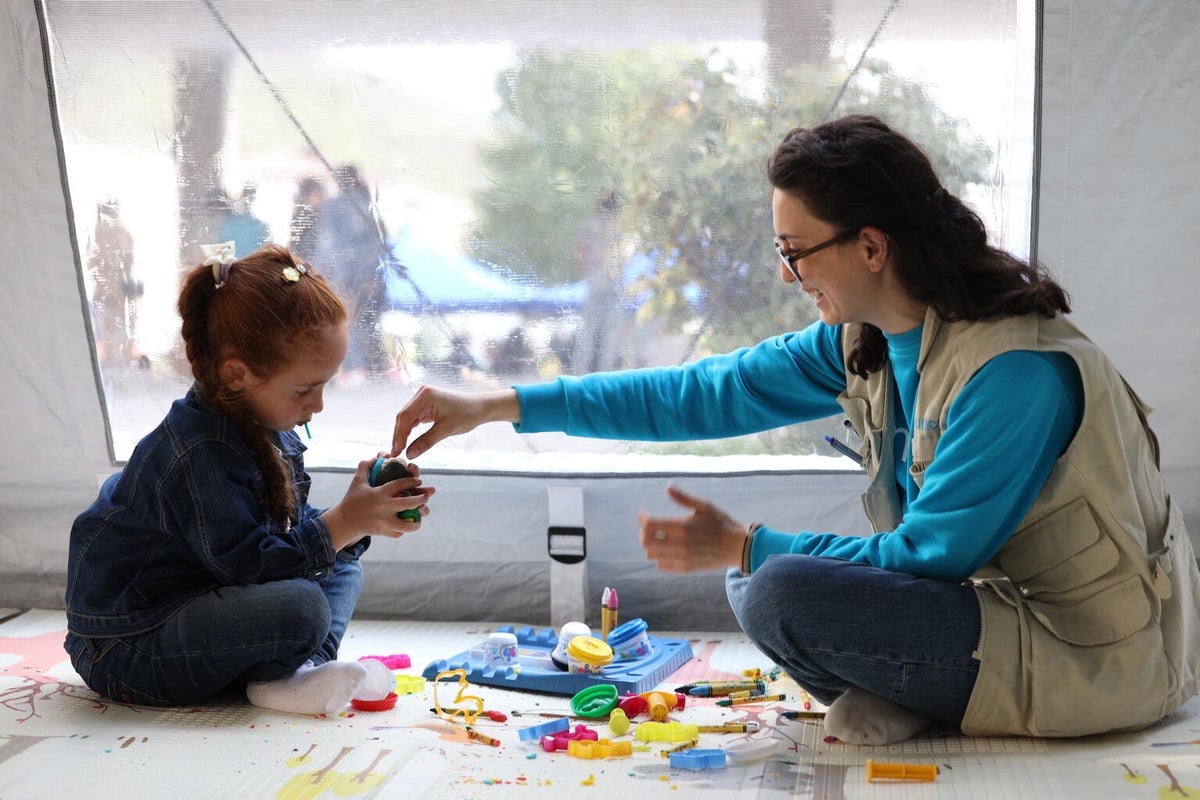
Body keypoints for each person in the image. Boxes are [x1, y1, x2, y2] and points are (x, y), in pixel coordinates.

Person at [390, 115, 1200, 744]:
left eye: (795, 250)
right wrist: (501, 404)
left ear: (871, 246)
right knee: (757, 582)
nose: (786, 274)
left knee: (775, 582)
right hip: (987, 615)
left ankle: (919, 694)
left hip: (1090, 655)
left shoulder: (1015, 371)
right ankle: (914, 693)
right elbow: (700, 394)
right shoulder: (866, 337)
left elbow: (930, 556)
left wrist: (747, 543)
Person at [65, 243, 432, 716]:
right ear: (237, 374)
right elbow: (251, 565)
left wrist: (364, 517)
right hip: (129, 642)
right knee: (304, 607)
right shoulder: (201, 450)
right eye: (305, 389)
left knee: (342, 566)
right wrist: (345, 522)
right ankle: (288, 675)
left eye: (324, 385)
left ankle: (300, 675)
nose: (318, 405)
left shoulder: (265, 424)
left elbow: (286, 536)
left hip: (205, 598)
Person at [316, 164, 389, 381]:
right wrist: (372, 275)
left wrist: (321, 269)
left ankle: (354, 367)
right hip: (359, 276)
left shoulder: (339, 206)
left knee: (344, 321)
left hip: (343, 277)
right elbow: (378, 243)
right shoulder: (366, 203)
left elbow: (326, 242)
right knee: (364, 322)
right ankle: (365, 367)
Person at [86, 199, 142, 368]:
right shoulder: (99, 234)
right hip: (107, 297)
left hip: (118, 297)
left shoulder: (121, 234)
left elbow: (128, 263)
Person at [289, 176, 325, 263]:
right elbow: (299, 246)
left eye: (321, 193)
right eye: (317, 193)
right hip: (306, 262)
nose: (321, 197)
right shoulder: (303, 217)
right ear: (308, 195)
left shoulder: (320, 215)